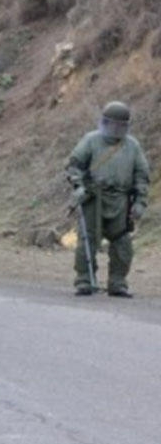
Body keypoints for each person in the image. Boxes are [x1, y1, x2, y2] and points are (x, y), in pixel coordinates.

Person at [66, 101, 150, 298]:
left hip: (121, 200)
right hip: (93, 198)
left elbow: (142, 176)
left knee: (122, 243)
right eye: (113, 124)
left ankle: (118, 283)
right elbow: (74, 165)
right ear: (104, 122)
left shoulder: (133, 146)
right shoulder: (91, 140)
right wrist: (79, 185)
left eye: (122, 125)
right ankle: (85, 280)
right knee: (88, 240)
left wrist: (140, 202)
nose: (117, 128)